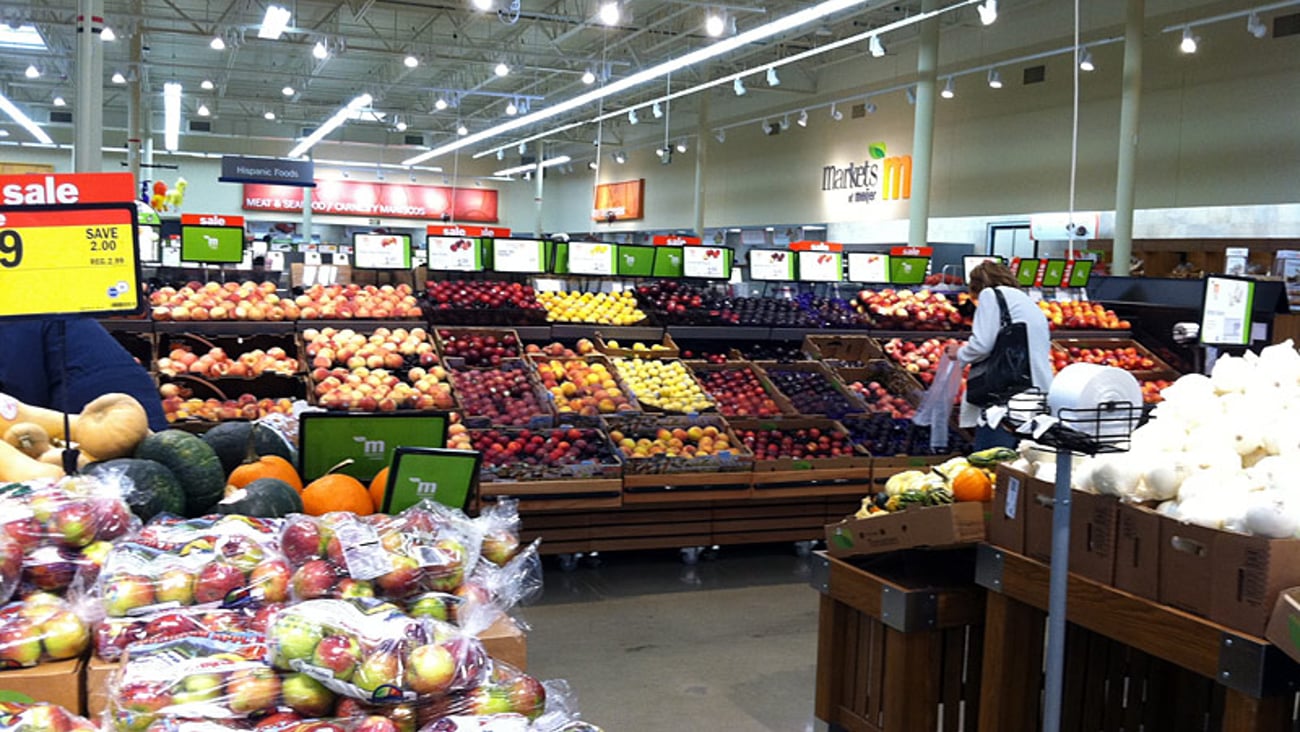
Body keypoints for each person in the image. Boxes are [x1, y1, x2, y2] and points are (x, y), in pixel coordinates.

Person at [947, 261, 1053, 450]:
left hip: (1006, 397)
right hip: (1036, 392)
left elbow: (982, 344)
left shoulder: (990, 295)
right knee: (1019, 462)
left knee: (992, 462)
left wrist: (960, 353)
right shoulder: (1026, 300)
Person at [0, 318, 169, 432]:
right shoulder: (43, 303)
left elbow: (20, 398)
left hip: (107, 428)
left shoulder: (15, 317)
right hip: (137, 421)